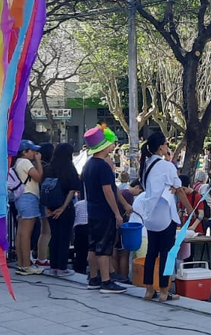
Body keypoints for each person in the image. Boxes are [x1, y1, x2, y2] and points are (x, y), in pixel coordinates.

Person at [136, 131, 191, 302]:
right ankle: (164, 292)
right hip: (165, 214)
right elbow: (180, 189)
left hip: (150, 215)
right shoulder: (167, 166)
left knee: (152, 252)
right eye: (166, 144)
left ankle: (148, 290)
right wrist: (190, 209)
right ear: (161, 147)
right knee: (167, 254)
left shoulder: (145, 165)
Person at [81, 125, 131, 293]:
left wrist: (124, 204)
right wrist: (117, 213)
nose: (112, 146)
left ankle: (93, 278)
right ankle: (106, 281)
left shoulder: (89, 165)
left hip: (92, 209)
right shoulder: (103, 166)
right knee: (104, 247)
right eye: (110, 143)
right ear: (104, 146)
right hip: (104, 211)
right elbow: (108, 190)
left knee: (93, 246)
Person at [43, 142, 81, 277]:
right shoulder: (69, 169)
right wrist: (63, 207)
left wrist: (46, 207)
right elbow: (73, 189)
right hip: (65, 207)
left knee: (54, 236)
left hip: (50, 207)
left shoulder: (48, 169)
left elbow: (44, 189)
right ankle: (62, 267)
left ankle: (53, 266)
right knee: (64, 237)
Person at [12, 140, 44, 275]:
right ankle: (26, 265)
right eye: (32, 151)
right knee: (26, 234)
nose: (34, 153)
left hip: (20, 198)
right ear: (24, 152)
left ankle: (21, 263)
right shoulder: (25, 162)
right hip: (29, 196)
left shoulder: (17, 163)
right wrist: (38, 162)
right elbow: (39, 177)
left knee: (20, 233)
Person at [33, 142, 56, 267]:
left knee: (44, 231)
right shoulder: (46, 167)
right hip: (46, 202)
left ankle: (41, 257)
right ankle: (43, 258)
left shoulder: (36, 165)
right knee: (47, 232)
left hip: (39, 199)